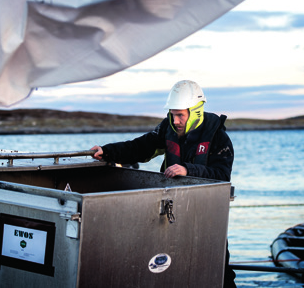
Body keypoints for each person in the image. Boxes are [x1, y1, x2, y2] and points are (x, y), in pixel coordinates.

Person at [90, 80, 236, 287]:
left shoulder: (218, 138)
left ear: (195, 112)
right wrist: (108, 151)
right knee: (171, 267)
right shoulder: (166, 128)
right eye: (172, 114)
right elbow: (140, 147)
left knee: (221, 272)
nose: (175, 120)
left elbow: (222, 175)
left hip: (208, 217)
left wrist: (188, 169)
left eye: (180, 115)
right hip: (173, 213)